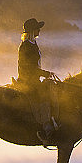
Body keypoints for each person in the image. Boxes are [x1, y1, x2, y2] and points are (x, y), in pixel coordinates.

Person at [17, 17, 58, 145]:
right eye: (37, 28)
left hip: (33, 78)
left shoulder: (32, 44)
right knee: (43, 95)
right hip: (28, 80)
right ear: (32, 31)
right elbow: (29, 68)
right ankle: (45, 126)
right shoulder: (26, 46)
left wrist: (44, 73)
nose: (39, 30)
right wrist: (44, 73)